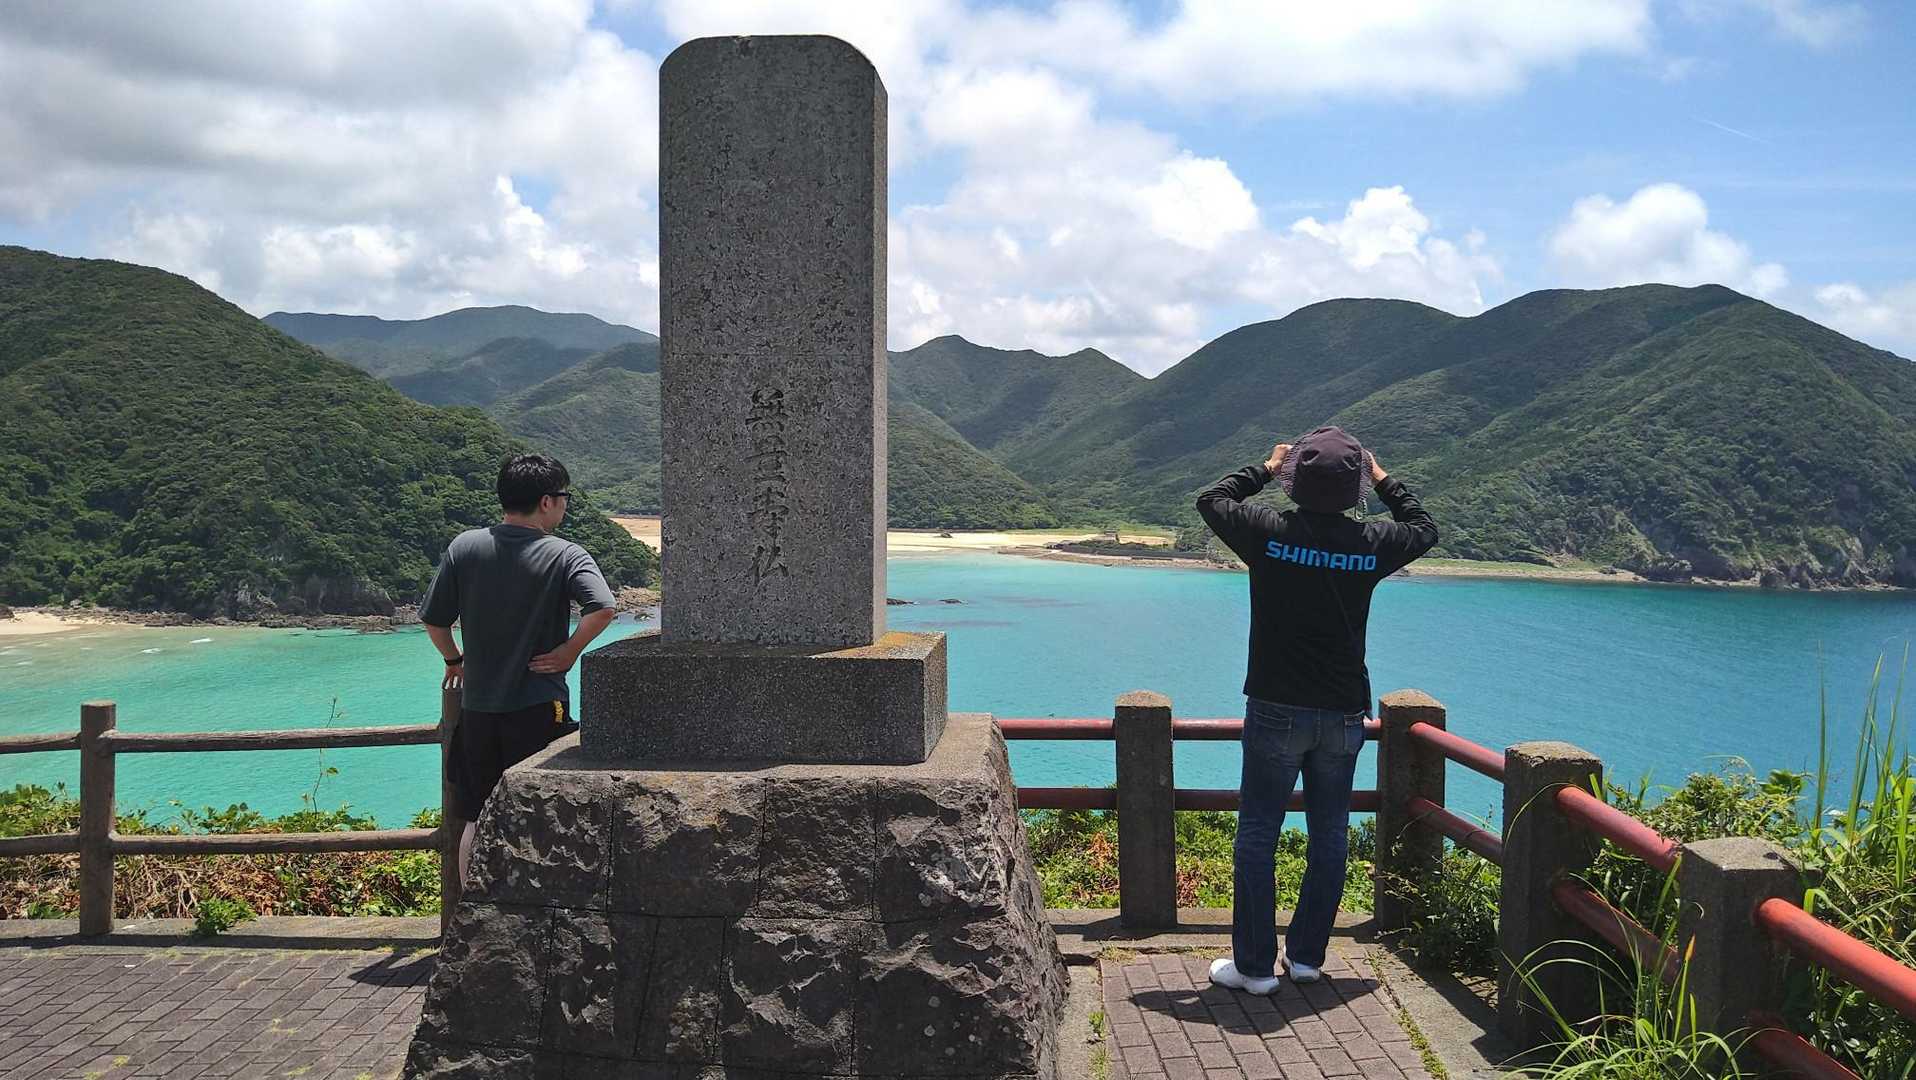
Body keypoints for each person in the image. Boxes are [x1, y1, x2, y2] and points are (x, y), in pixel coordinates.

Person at [1195, 425, 1438, 994]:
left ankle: (1255, 968)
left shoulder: (1268, 533)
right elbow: (1424, 527)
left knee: (1259, 834)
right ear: (1356, 489)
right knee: (1330, 835)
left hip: (1275, 707)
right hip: (1343, 714)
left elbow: (1212, 500)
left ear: (1293, 481)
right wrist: (1381, 478)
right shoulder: (1371, 543)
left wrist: (1265, 465)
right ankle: (1306, 959)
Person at [421, 453, 618, 887]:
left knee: (475, 815)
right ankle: (536, 910)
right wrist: (569, 652)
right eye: (564, 497)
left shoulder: (464, 547)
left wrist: (455, 661)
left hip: (478, 709)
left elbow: (434, 620)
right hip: (538, 704)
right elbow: (603, 608)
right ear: (547, 501)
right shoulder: (565, 554)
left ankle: (473, 908)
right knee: (544, 809)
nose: (565, 505)